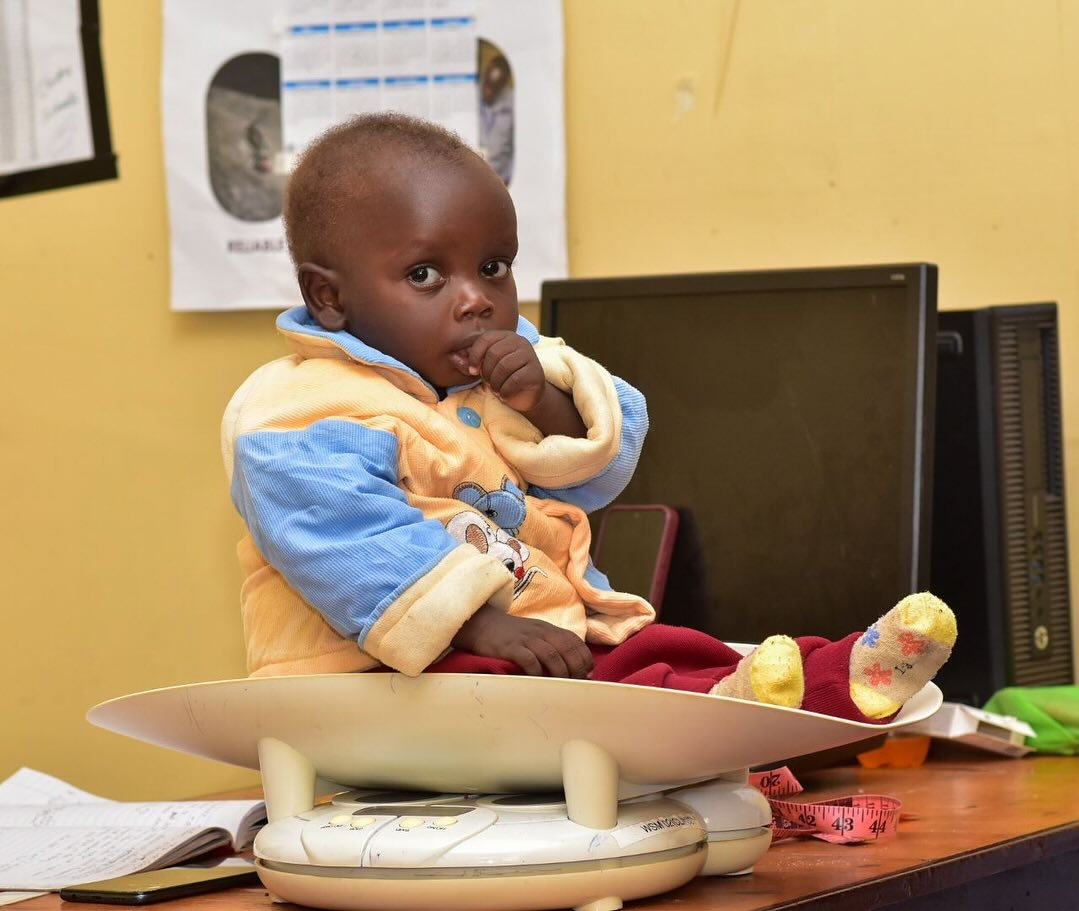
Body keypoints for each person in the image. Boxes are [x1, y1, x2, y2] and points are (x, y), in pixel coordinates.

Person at [222, 112, 956, 724]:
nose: (475, 299)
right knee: (602, 695)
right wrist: (477, 620)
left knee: (662, 648)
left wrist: (542, 397)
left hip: (532, 640)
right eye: (425, 274)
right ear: (328, 297)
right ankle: (751, 717)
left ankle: (828, 679)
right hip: (381, 670)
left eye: (493, 266)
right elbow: (342, 536)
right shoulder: (301, 409)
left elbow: (602, 461)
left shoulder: (489, 373)